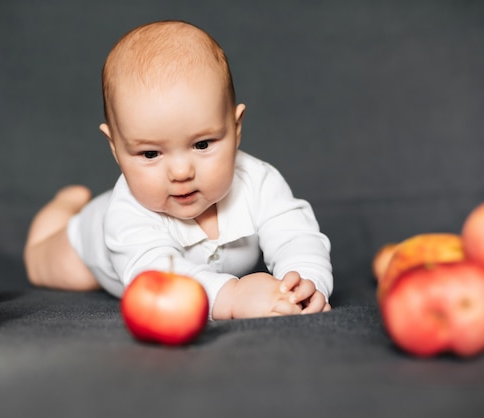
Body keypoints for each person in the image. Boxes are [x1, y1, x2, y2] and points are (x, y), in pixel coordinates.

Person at [24, 20, 333, 320]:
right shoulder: (126, 215)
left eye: (201, 145)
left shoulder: (259, 182)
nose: (181, 171)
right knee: (46, 266)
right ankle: (63, 208)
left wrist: (306, 282)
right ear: (115, 148)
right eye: (150, 153)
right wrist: (232, 297)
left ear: (235, 128)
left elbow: (296, 236)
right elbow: (159, 276)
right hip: (89, 243)